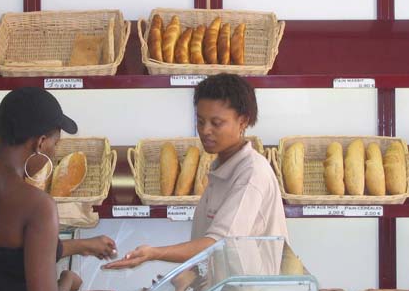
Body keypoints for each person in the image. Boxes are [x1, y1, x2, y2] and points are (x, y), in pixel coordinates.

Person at [103, 73, 288, 270]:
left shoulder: (251, 174)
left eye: (216, 123)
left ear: (242, 121)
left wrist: (154, 253)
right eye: (200, 121)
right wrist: (185, 280)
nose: (205, 130)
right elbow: (209, 243)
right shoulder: (220, 167)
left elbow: (219, 243)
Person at [0, 87, 117, 291]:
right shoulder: (38, 206)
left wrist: (83, 245)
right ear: (40, 143)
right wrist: (67, 281)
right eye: (56, 143)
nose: (54, 151)